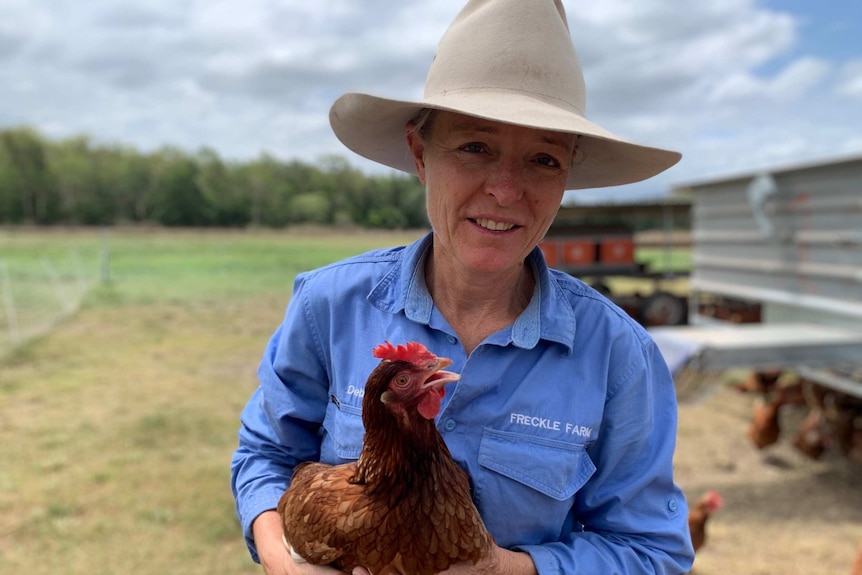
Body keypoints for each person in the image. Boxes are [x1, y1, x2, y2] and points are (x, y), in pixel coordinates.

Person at [231, 0, 695, 574]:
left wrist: (507, 570)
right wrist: (287, 561)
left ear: (566, 177)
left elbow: (652, 551)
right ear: (421, 154)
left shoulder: (618, 356)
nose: (505, 190)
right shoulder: (330, 307)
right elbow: (267, 456)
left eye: (543, 160)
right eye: (475, 147)